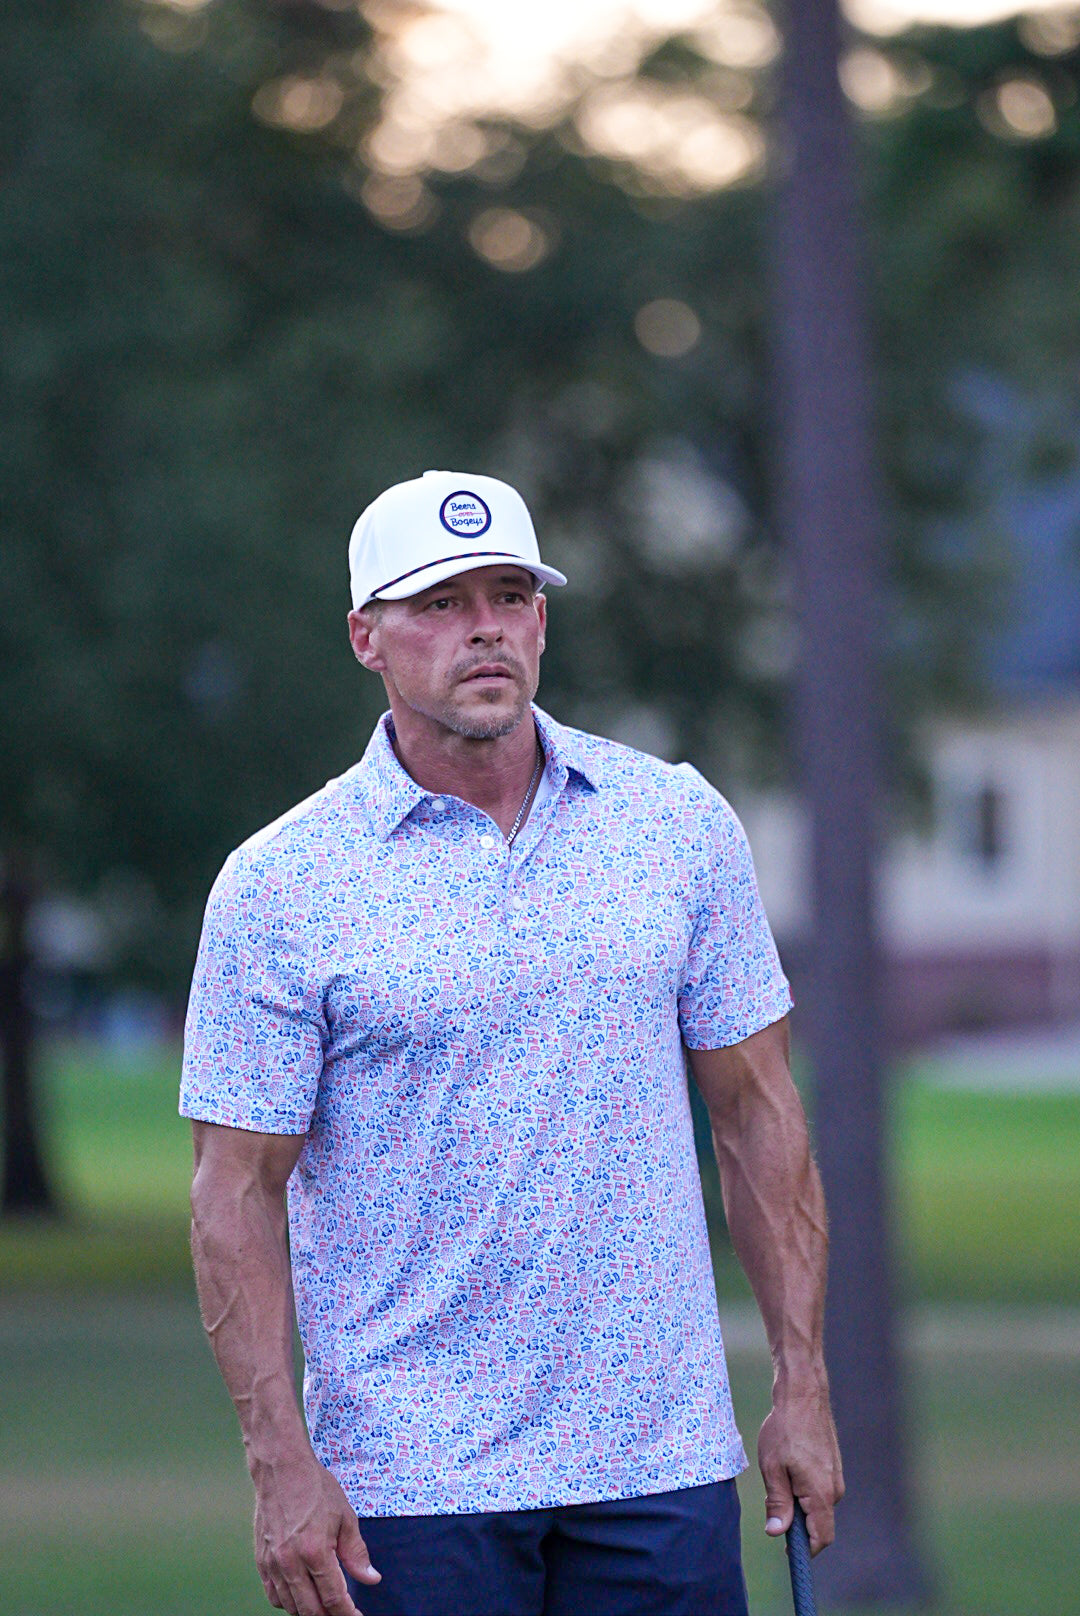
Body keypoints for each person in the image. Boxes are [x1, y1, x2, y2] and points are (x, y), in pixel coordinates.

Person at [181, 469, 843, 1616]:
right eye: (436, 602)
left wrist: (804, 1378)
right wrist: (279, 1460)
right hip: (409, 1481)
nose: (483, 625)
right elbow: (234, 1189)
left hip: (659, 1458)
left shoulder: (675, 825)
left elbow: (758, 1113)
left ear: (540, 620)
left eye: (509, 594)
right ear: (366, 638)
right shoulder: (280, 884)